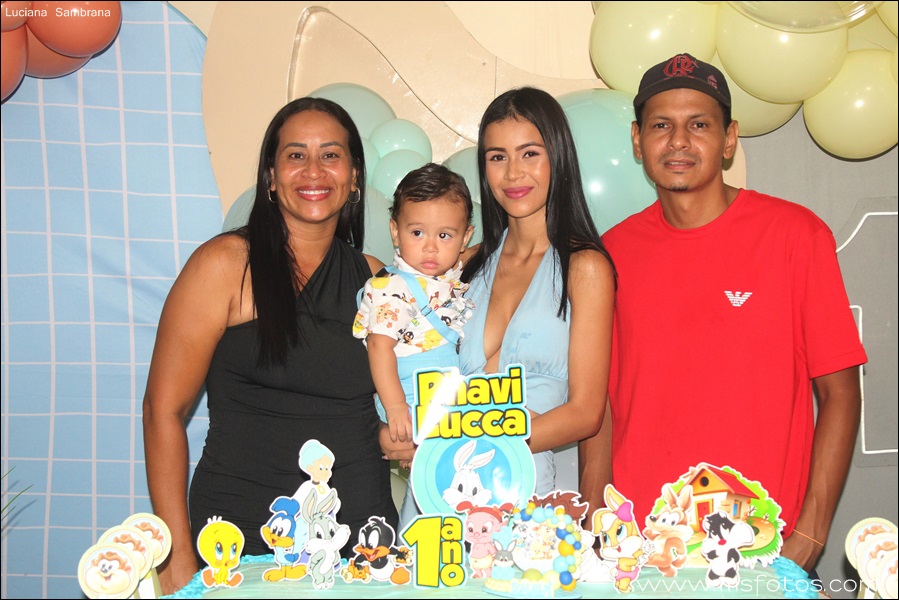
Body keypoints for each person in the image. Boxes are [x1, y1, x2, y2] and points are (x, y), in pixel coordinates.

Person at [578, 53, 867, 573]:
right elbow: (600, 406)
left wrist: (807, 538)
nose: (679, 141)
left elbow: (840, 393)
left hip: (761, 546)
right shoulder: (610, 255)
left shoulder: (796, 236)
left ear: (729, 139)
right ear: (637, 141)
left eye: (699, 125)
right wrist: (598, 526)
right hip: (644, 551)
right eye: (661, 125)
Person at [142, 97, 397, 594]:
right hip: (238, 536)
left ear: (354, 177)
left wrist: (402, 438)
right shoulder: (224, 265)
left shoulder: (377, 280)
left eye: (331, 155)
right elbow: (162, 411)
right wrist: (174, 557)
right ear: (271, 177)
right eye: (296, 155)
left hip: (360, 539)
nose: (314, 170)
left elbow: (399, 399)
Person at [377, 87, 616, 494]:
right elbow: (402, 358)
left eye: (530, 153)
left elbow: (586, 413)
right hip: (442, 490)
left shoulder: (584, 268)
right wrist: (388, 431)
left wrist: (471, 443)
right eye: (497, 157)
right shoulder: (462, 266)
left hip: (525, 492)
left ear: (558, 156)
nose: (513, 174)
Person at [353, 162, 475, 528]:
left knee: (451, 483)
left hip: (443, 396)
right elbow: (379, 348)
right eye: (417, 232)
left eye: (445, 235)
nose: (430, 247)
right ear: (395, 231)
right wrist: (396, 408)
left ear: (465, 238)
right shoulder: (391, 287)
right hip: (407, 394)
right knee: (435, 489)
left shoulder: (449, 283)